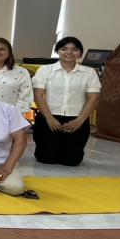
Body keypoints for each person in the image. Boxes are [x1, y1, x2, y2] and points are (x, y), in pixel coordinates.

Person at [32, 36, 102, 167]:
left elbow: (93, 98)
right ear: (57, 51)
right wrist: (49, 118)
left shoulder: (89, 72)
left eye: (74, 49)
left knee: (72, 161)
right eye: (64, 49)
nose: (69, 52)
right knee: (45, 158)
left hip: (77, 119)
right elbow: (38, 95)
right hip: (49, 119)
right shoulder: (45, 70)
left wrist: (79, 121)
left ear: (80, 53)